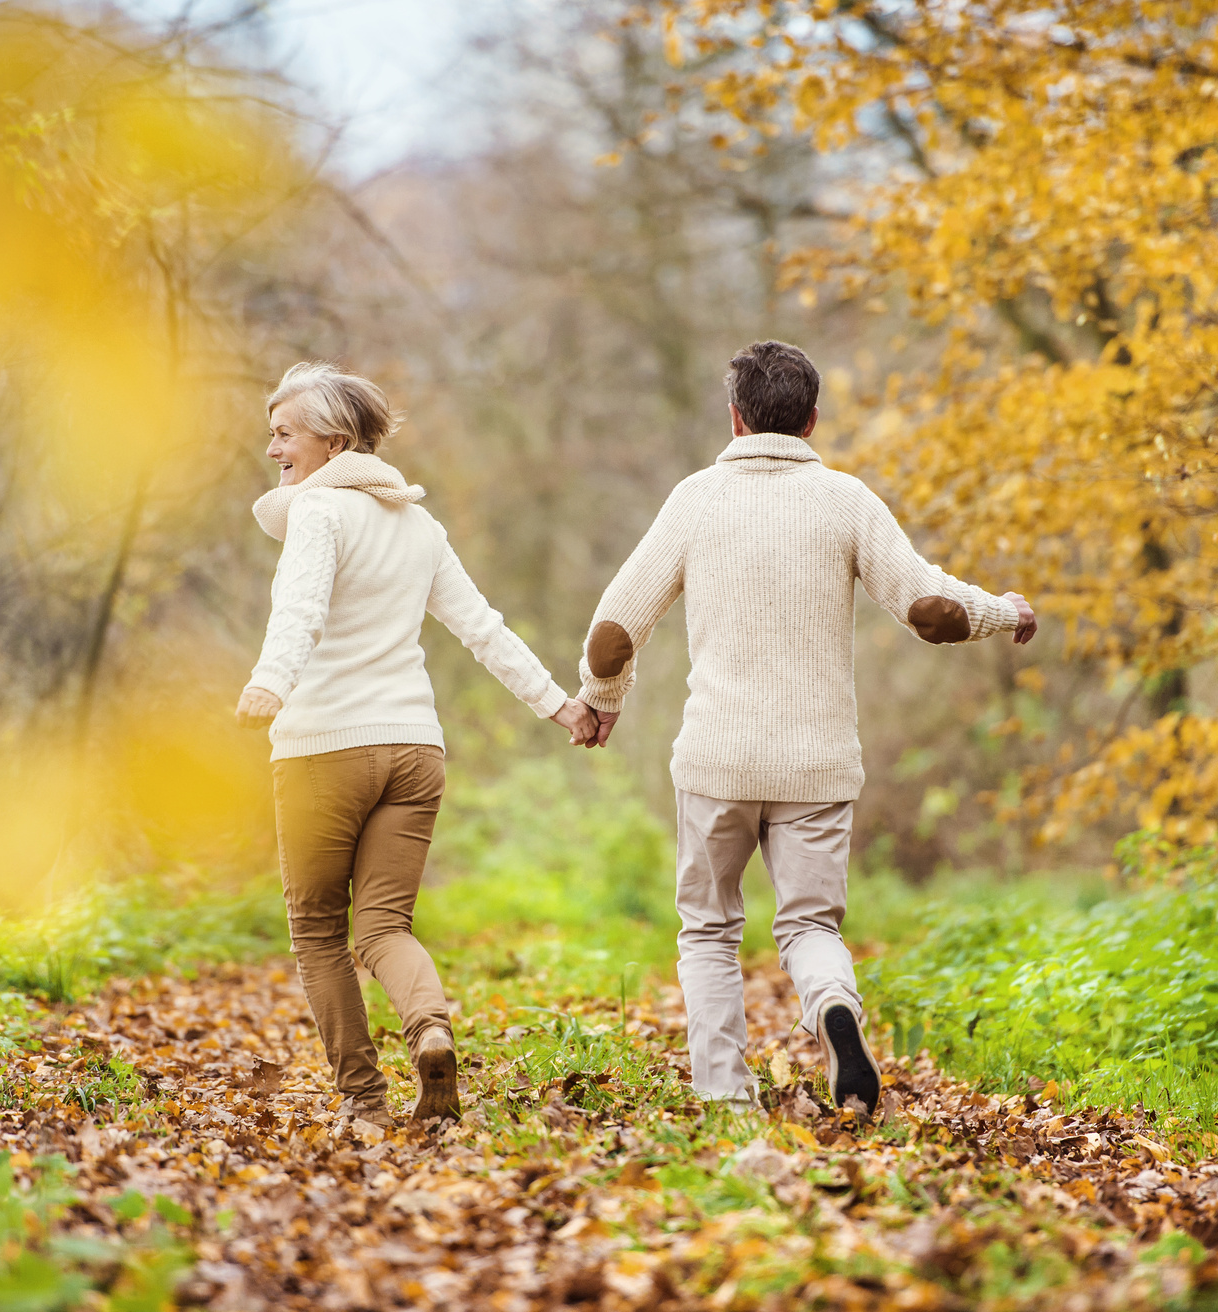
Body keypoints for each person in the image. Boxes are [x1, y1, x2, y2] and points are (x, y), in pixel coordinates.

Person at [574, 341, 1038, 1116]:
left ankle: (724, 1096)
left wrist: (603, 695)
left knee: (710, 931)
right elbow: (930, 610)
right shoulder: (846, 500)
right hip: (815, 765)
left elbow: (616, 626)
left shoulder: (695, 499)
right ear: (813, 419)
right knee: (809, 923)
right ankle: (832, 1008)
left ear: (734, 416)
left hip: (717, 761)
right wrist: (1006, 609)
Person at [236, 362, 599, 1129]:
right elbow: (482, 629)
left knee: (317, 930)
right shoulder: (418, 525)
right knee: (385, 929)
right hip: (412, 751)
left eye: (284, 433)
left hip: (324, 749)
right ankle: (429, 1027)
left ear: (332, 442)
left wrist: (268, 685)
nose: (272, 449)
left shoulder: (319, 515)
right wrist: (559, 706)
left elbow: (298, 610)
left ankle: (364, 1102)